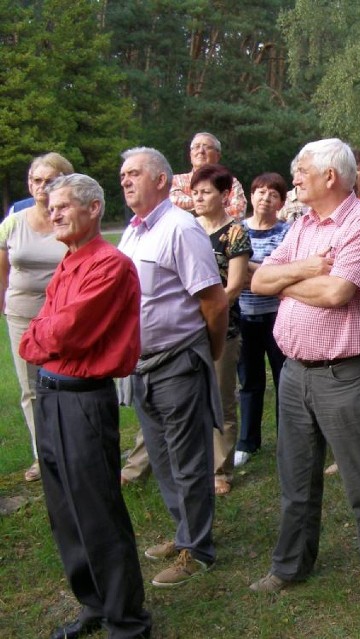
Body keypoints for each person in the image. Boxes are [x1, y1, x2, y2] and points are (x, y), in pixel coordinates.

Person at [248, 138, 360, 619]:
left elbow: (338, 292)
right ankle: (290, 565)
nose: (293, 179)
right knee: (295, 479)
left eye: (301, 172)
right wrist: (305, 270)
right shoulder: (302, 226)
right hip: (294, 375)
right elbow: (256, 282)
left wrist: (287, 282)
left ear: (330, 176)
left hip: (345, 375)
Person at [19, 173, 151, 639]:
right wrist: (41, 338)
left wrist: (39, 339)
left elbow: (64, 332)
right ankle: (94, 604)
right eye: (50, 207)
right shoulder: (68, 261)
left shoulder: (109, 265)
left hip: (81, 401)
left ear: (93, 208)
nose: (52, 214)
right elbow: (42, 326)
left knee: (97, 512)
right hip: (51, 396)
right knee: (65, 512)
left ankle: (127, 621)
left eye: (63, 206)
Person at [118, 147, 229, 588]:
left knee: (187, 460)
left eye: (134, 174)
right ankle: (185, 532)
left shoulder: (181, 229)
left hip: (178, 361)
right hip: (141, 365)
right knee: (162, 460)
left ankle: (197, 550)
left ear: (162, 180)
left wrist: (211, 351)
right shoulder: (132, 232)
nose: (125, 181)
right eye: (122, 175)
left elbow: (214, 301)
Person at [0, 152, 73, 482]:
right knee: (30, 389)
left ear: (64, 181)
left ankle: (73, 449)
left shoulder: (71, 218)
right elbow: (2, 267)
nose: (42, 186)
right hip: (21, 315)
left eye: (50, 179)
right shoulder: (14, 220)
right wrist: (4, 303)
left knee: (68, 383)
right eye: (36, 180)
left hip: (65, 316)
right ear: (29, 184)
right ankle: (43, 456)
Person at [190, 164, 252, 495]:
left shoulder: (235, 233)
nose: (198, 198)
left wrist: (207, 313)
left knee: (221, 397)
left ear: (224, 195)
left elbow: (236, 285)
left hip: (221, 328)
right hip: (185, 327)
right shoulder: (187, 228)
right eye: (195, 192)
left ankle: (220, 469)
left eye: (206, 192)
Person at [235, 173, 290, 468]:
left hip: (277, 316)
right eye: (260, 192)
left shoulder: (287, 233)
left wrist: (249, 269)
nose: (265, 198)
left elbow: (284, 272)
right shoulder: (237, 231)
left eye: (273, 194)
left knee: (285, 380)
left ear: (281, 202)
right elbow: (230, 271)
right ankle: (247, 441)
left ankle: (287, 438)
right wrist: (266, 273)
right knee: (249, 381)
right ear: (251, 195)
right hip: (244, 316)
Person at [169, 132, 247, 218]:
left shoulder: (230, 182)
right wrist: (214, 207)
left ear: (218, 156)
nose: (201, 151)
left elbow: (238, 211)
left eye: (207, 147)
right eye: (196, 147)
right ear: (191, 155)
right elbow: (171, 204)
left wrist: (196, 211)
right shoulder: (176, 180)